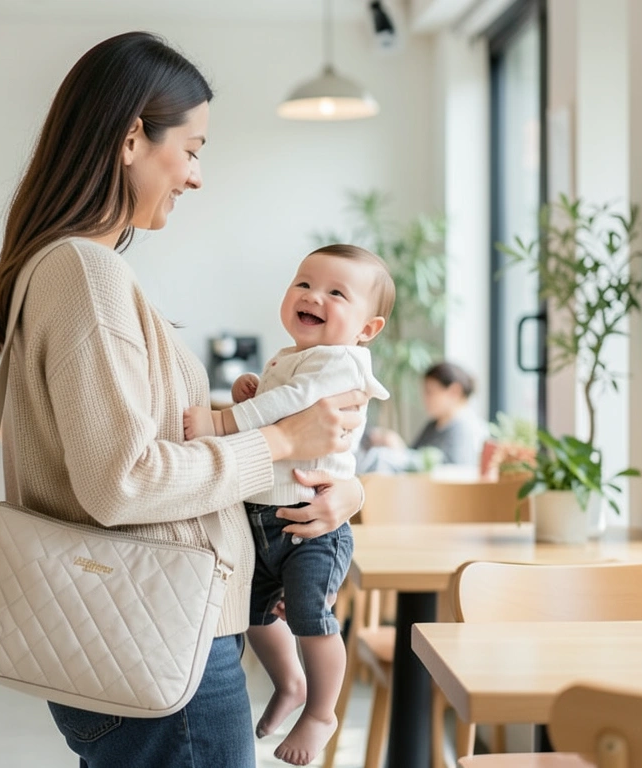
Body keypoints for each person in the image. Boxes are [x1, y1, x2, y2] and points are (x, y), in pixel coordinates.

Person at [0, 32, 368, 768]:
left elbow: (152, 443)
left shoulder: (71, 269)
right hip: (153, 630)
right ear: (130, 139)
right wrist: (282, 443)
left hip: (146, 627)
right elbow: (123, 482)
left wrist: (332, 478)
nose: (195, 176)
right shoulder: (85, 276)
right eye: (191, 148)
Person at [182, 244, 392, 766]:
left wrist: (225, 418)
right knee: (252, 614)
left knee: (308, 616)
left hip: (311, 525)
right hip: (262, 521)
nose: (312, 295)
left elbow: (289, 408)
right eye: (304, 282)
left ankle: (322, 711)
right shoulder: (291, 357)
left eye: (336, 293)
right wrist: (252, 389)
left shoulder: (343, 361)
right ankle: (290, 684)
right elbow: (278, 401)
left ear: (367, 329)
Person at [360, 361, 487, 472]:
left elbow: (454, 470)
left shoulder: (464, 429)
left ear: (455, 391)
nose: (425, 399)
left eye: (430, 392)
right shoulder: (434, 425)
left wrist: (398, 450)